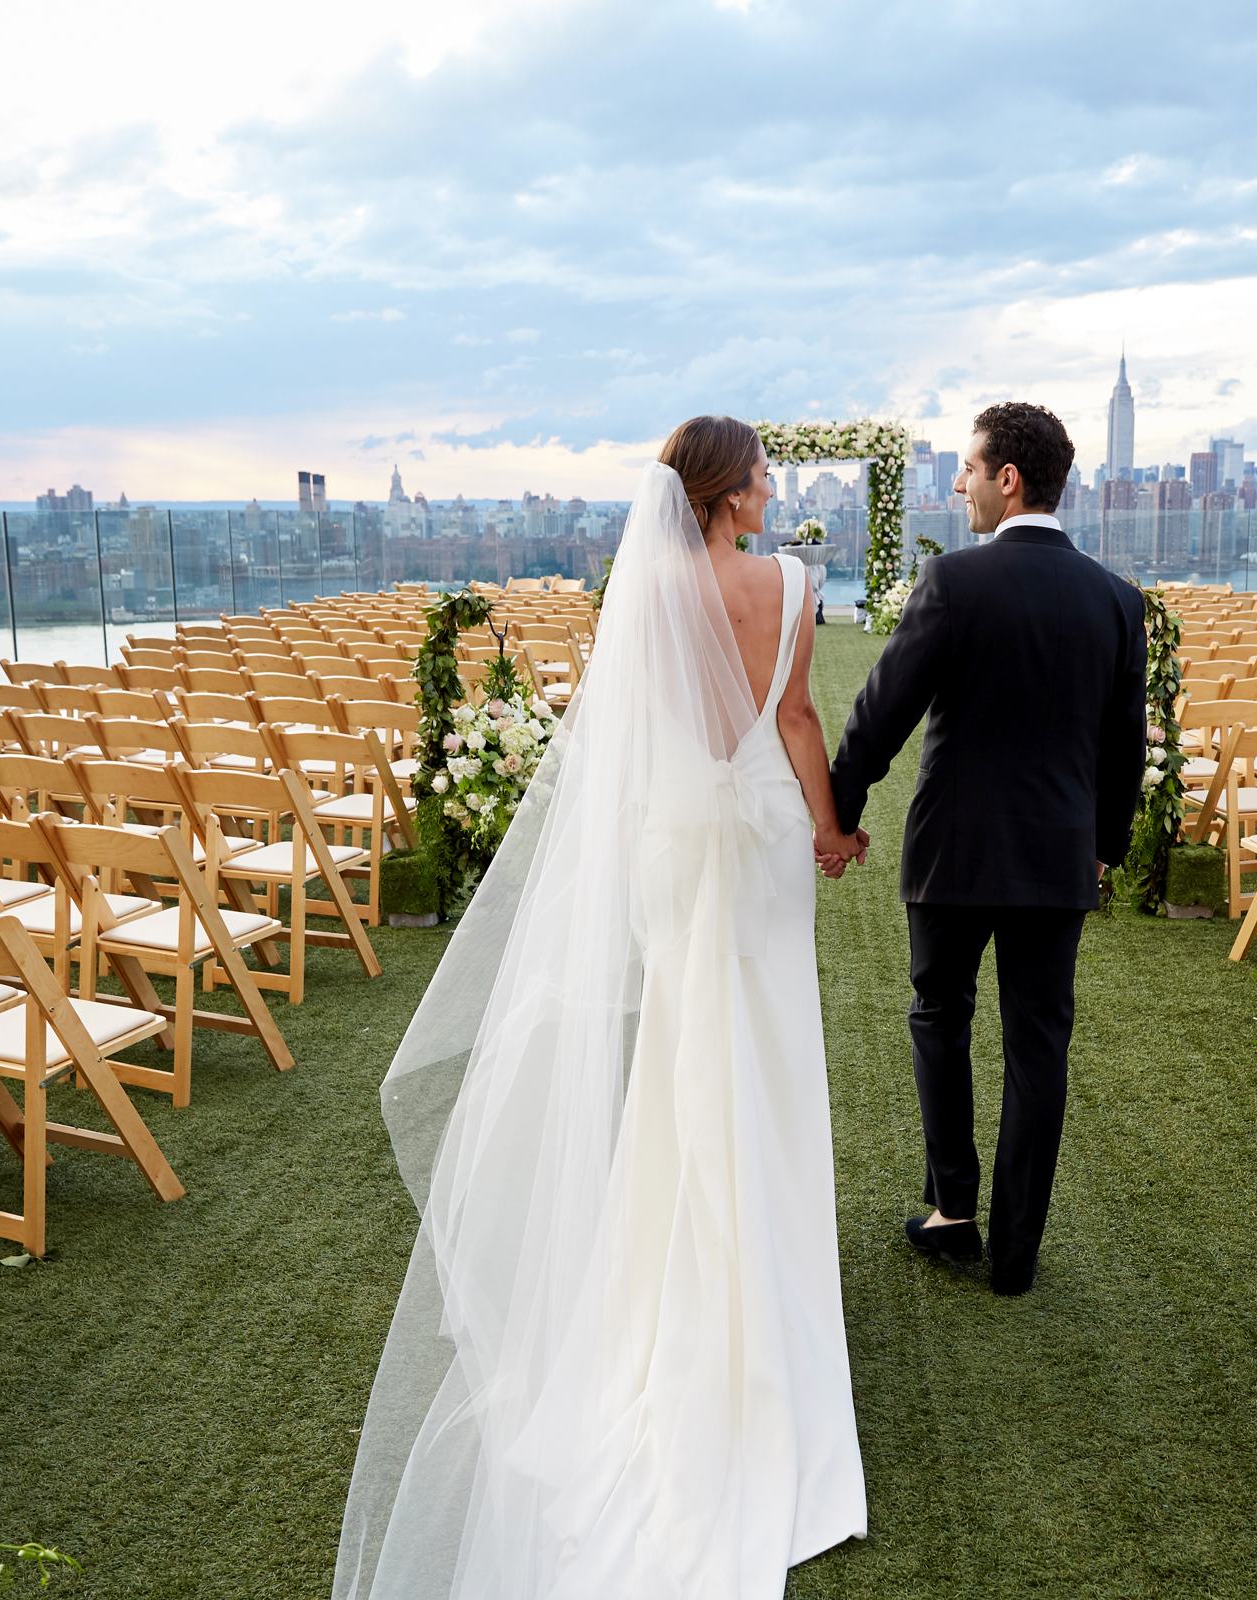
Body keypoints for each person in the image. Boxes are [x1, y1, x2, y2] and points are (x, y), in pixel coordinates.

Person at [333, 416, 867, 1599]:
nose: (775, 487)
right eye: (763, 474)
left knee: (688, 1057)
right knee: (772, 1058)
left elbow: (630, 741)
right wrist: (830, 830)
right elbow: (794, 721)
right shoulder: (792, 583)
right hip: (767, 837)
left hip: (679, 837)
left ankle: (682, 1285)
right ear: (728, 492)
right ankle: (767, 1304)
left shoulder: (646, 595)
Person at [825, 400, 1147, 1297]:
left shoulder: (954, 583)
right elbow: (1128, 745)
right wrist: (1104, 848)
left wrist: (840, 813)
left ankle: (952, 1210)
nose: (959, 482)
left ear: (1009, 478)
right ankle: (1016, 1256)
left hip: (953, 855)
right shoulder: (1119, 601)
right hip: (1057, 859)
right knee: (1039, 1046)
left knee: (940, 1014)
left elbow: (878, 714)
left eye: (968, 467)